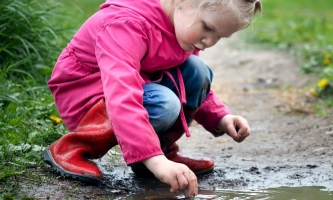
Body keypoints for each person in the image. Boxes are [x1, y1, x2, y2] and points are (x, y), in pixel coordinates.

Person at [42, 0, 261, 197]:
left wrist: (221, 117)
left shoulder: (181, 25)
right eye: (207, 28)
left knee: (197, 70)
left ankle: (158, 152)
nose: (209, 41)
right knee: (165, 104)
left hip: (139, 86)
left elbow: (183, 82)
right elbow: (122, 94)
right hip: (88, 94)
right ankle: (74, 147)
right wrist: (156, 161)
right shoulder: (125, 24)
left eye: (220, 36)